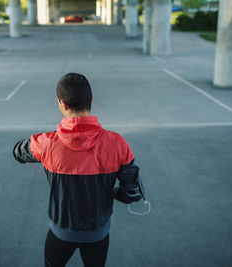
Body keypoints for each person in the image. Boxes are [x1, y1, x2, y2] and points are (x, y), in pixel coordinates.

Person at [13, 73, 144, 267]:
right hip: (98, 234)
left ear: (61, 104)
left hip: (61, 233)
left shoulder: (46, 143)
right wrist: (113, 193)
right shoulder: (118, 143)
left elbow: (18, 152)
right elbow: (132, 192)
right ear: (91, 99)